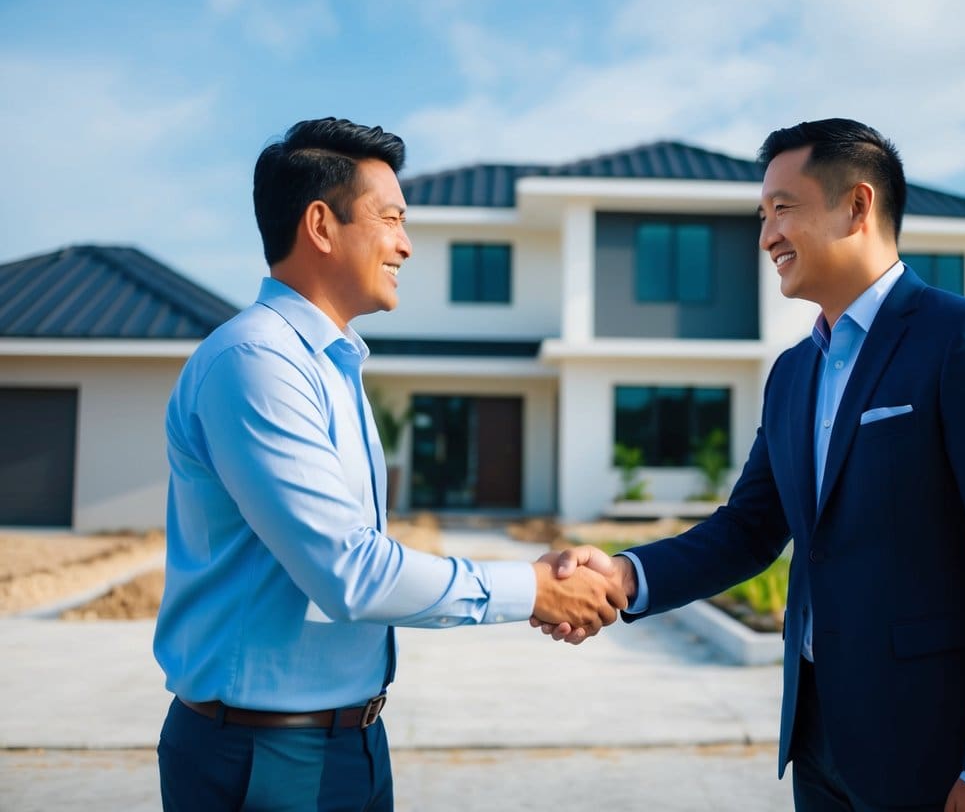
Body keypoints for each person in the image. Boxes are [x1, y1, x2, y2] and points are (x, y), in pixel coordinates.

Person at [539, 119, 965, 811]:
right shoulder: (793, 372)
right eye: (762, 217)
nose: (766, 237)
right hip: (817, 737)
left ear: (857, 205)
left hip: (935, 745)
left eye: (782, 209)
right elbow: (749, 529)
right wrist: (622, 576)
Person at [154, 117, 624, 811]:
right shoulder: (257, 362)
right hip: (269, 756)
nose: (406, 244)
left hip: (349, 739)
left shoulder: (329, 364)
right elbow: (350, 574)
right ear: (321, 225)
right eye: (392, 219)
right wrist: (533, 589)